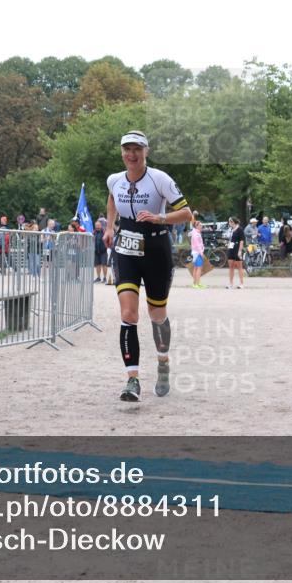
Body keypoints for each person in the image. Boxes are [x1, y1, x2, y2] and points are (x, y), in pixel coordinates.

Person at [103, 130, 193, 403]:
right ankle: (132, 380)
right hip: (125, 249)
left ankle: (163, 362)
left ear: (146, 152)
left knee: (157, 315)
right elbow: (111, 199)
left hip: (156, 249)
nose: (132, 154)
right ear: (121, 152)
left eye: (137, 149)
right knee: (129, 314)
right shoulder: (114, 180)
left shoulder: (159, 179)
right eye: (127, 149)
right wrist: (109, 226)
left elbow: (187, 213)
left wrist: (158, 217)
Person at [225, 217, 245, 289]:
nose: (229, 223)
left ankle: (241, 283)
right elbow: (230, 239)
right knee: (231, 267)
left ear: (233, 222)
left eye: (230, 222)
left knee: (239, 267)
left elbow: (242, 241)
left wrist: (240, 251)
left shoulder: (240, 229)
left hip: (237, 248)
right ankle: (231, 283)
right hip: (231, 248)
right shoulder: (231, 230)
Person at [189, 219, 206, 289]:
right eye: (200, 225)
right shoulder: (196, 234)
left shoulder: (196, 233)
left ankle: (195, 283)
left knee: (196, 268)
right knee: (198, 268)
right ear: (196, 226)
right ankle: (197, 283)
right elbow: (197, 245)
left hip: (196, 252)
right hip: (197, 252)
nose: (201, 226)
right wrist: (201, 252)